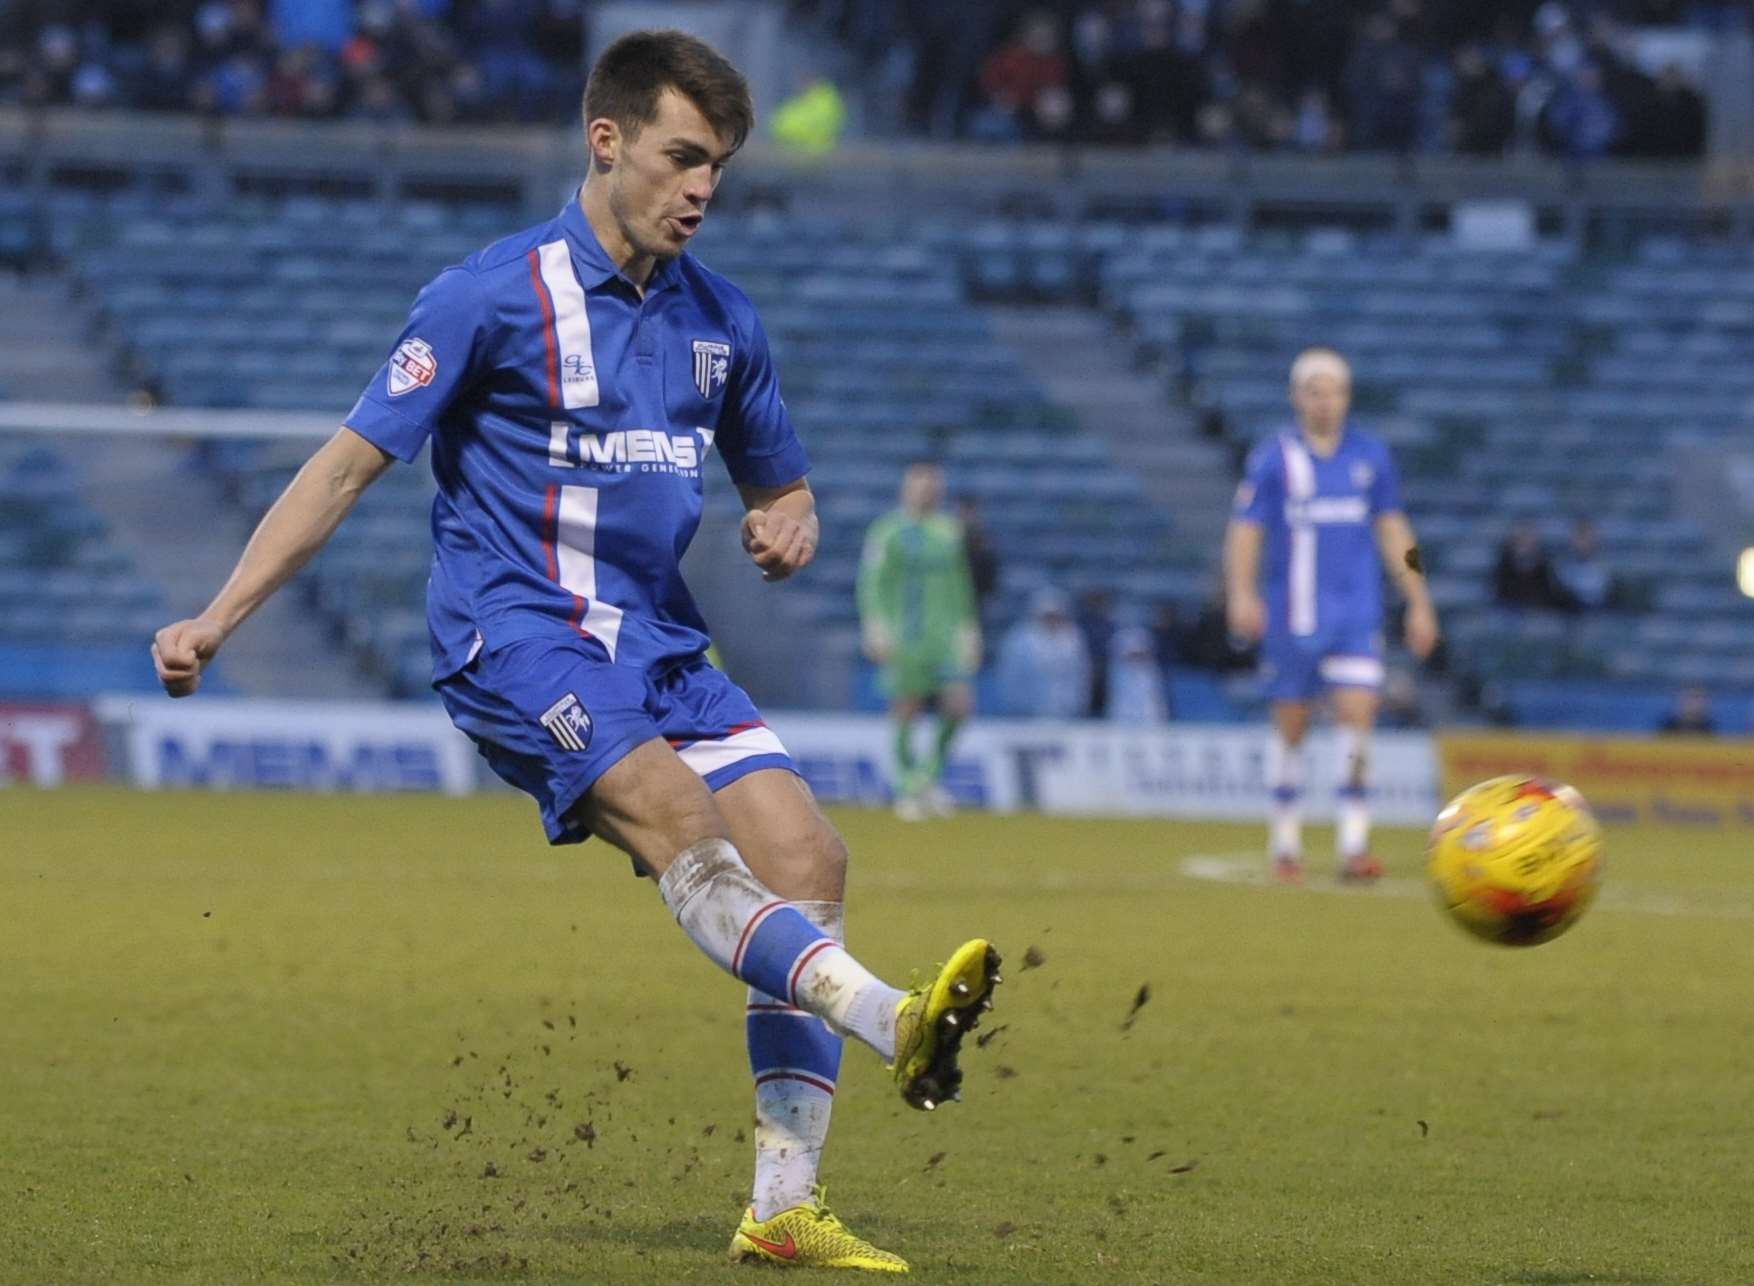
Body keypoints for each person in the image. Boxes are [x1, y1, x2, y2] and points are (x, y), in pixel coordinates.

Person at [150, 30, 999, 1274]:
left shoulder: (722, 320)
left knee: (809, 850)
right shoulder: (488, 295)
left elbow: (787, 486)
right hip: (516, 635)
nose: (701, 187)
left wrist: (788, 521)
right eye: (680, 157)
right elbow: (342, 468)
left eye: (717, 167)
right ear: (606, 143)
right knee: (679, 821)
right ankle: (890, 1015)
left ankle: (779, 1205)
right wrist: (218, 615)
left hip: (656, 643)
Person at [1223, 348, 1439, 884]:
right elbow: (1245, 530)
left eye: (1335, 392)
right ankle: (1286, 843)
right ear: (1298, 397)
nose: (1325, 402)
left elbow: (1394, 530)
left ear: (1347, 397)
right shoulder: (1274, 457)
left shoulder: (1370, 457)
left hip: (1355, 616)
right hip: (1293, 617)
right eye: (1315, 392)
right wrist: (1242, 593)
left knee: (1357, 720)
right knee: (1290, 729)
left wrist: (1418, 599)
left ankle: (1353, 842)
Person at [857, 461, 981, 821]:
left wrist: (968, 629)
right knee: (906, 707)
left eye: (933, 484)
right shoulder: (888, 532)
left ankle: (926, 778)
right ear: (906, 488)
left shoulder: (950, 531)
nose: (927, 491)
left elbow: (961, 585)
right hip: (905, 637)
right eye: (920, 484)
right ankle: (907, 786)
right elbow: (871, 583)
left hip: (943, 637)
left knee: (959, 706)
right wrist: (875, 625)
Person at [996, 587, 1091, 719]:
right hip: (1026, 710)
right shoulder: (1020, 638)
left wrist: (1079, 703)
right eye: (1047, 615)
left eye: (1055, 615)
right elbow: (1010, 673)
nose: (1052, 619)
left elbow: (1081, 672)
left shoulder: (1073, 637)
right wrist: (1015, 704)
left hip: (1065, 710)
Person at [1493, 519, 1568, 610]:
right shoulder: (1503, 570)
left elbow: (1553, 596)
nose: (1525, 543)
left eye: (1528, 539)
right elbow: (1499, 597)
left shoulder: (1546, 569)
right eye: (1520, 539)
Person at [1552, 516, 1612, 611]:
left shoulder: (1605, 567)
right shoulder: (1560, 567)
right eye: (1579, 537)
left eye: (1587, 537)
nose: (1583, 542)